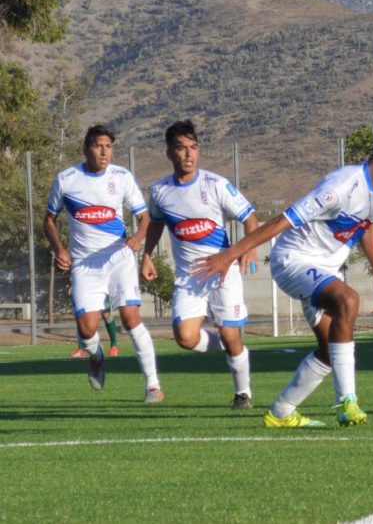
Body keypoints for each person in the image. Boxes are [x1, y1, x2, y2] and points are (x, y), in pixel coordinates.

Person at [194, 116, 373, 428]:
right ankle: (347, 401)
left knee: (331, 351)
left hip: (325, 269)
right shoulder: (340, 187)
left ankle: (281, 412)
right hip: (293, 261)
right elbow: (281, 221)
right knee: (348, 301)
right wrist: (231, 254)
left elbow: (365, 225)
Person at [141, 120, 259, 410]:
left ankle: (242, 393)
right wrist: (146, 255)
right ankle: (231, 345)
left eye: (193, 148)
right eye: (181, 149)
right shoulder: (159, 191)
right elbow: (155, 223)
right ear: (169, 153)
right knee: (185, 337)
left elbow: (249, 216)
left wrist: (249, 249)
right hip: (189, 277)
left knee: (231, 335)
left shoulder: (216, 184)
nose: (188, 155)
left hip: (223, 272)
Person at [44, 125, 163, 402]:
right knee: (86, 330)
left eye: (109, 146)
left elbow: (145, 217)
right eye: (98, 146)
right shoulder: (67, 179)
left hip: (119, 258)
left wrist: (136, 238)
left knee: (131, 319)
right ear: (86, 148)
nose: (104, 151)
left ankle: (153, 386)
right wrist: (59, 249)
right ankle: (96, 356)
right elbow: (49, 219)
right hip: (85, 264)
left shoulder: (121, 177)